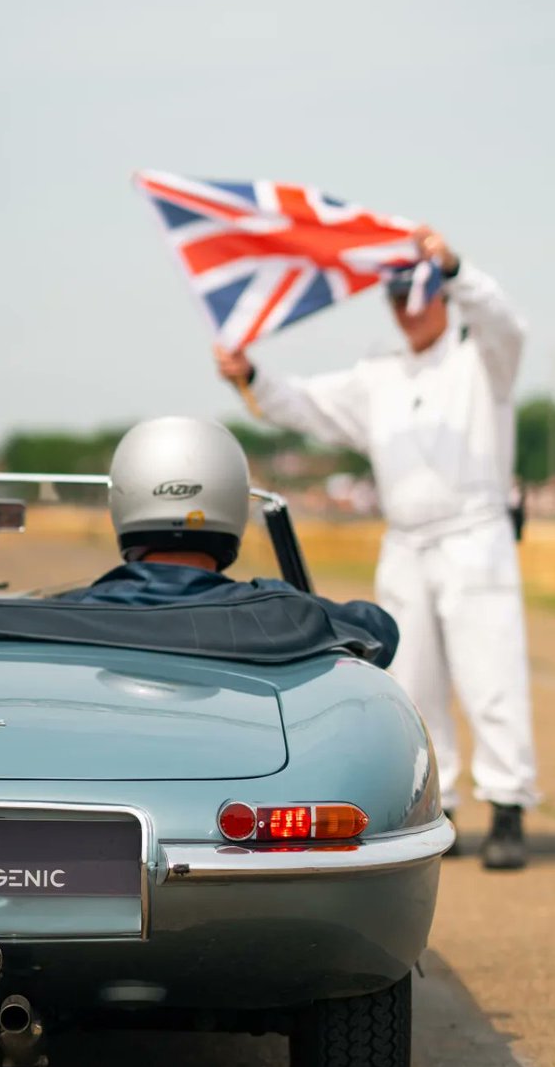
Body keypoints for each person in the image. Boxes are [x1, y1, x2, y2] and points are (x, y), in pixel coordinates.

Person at [214, 227, 537, 870]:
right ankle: (440, 808)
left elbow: (508, 323)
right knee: (411, 679)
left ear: (440, 297)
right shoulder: (379, 375)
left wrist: (457, 266)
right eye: (396, 299)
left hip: (475, 535)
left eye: (418, 296)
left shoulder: (482, 359)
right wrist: (251, 375)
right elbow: (306, 406)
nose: (407, 310)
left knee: (491, 677)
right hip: (407, 541)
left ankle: (508, 806)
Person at [62, 416, 399, 666]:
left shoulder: (63, 614)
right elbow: (379, 630)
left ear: (122, 501)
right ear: (232, 499)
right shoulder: (276, 610)